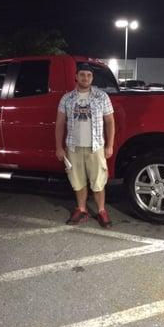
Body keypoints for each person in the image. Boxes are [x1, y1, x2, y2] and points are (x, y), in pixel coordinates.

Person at [55, 63, 115, 228]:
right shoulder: (67, 98)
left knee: (98, 182)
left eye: (88, 75)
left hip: (95, 147)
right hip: (73, 148)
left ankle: (101, 211)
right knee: (77, 181)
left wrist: (109, 145)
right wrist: (59, 147)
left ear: (92, 78)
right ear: (76, 76)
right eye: (82, 75)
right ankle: (81, 209)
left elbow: (110, 121)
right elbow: (60, 123)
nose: (85, 78)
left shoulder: (102, 97)